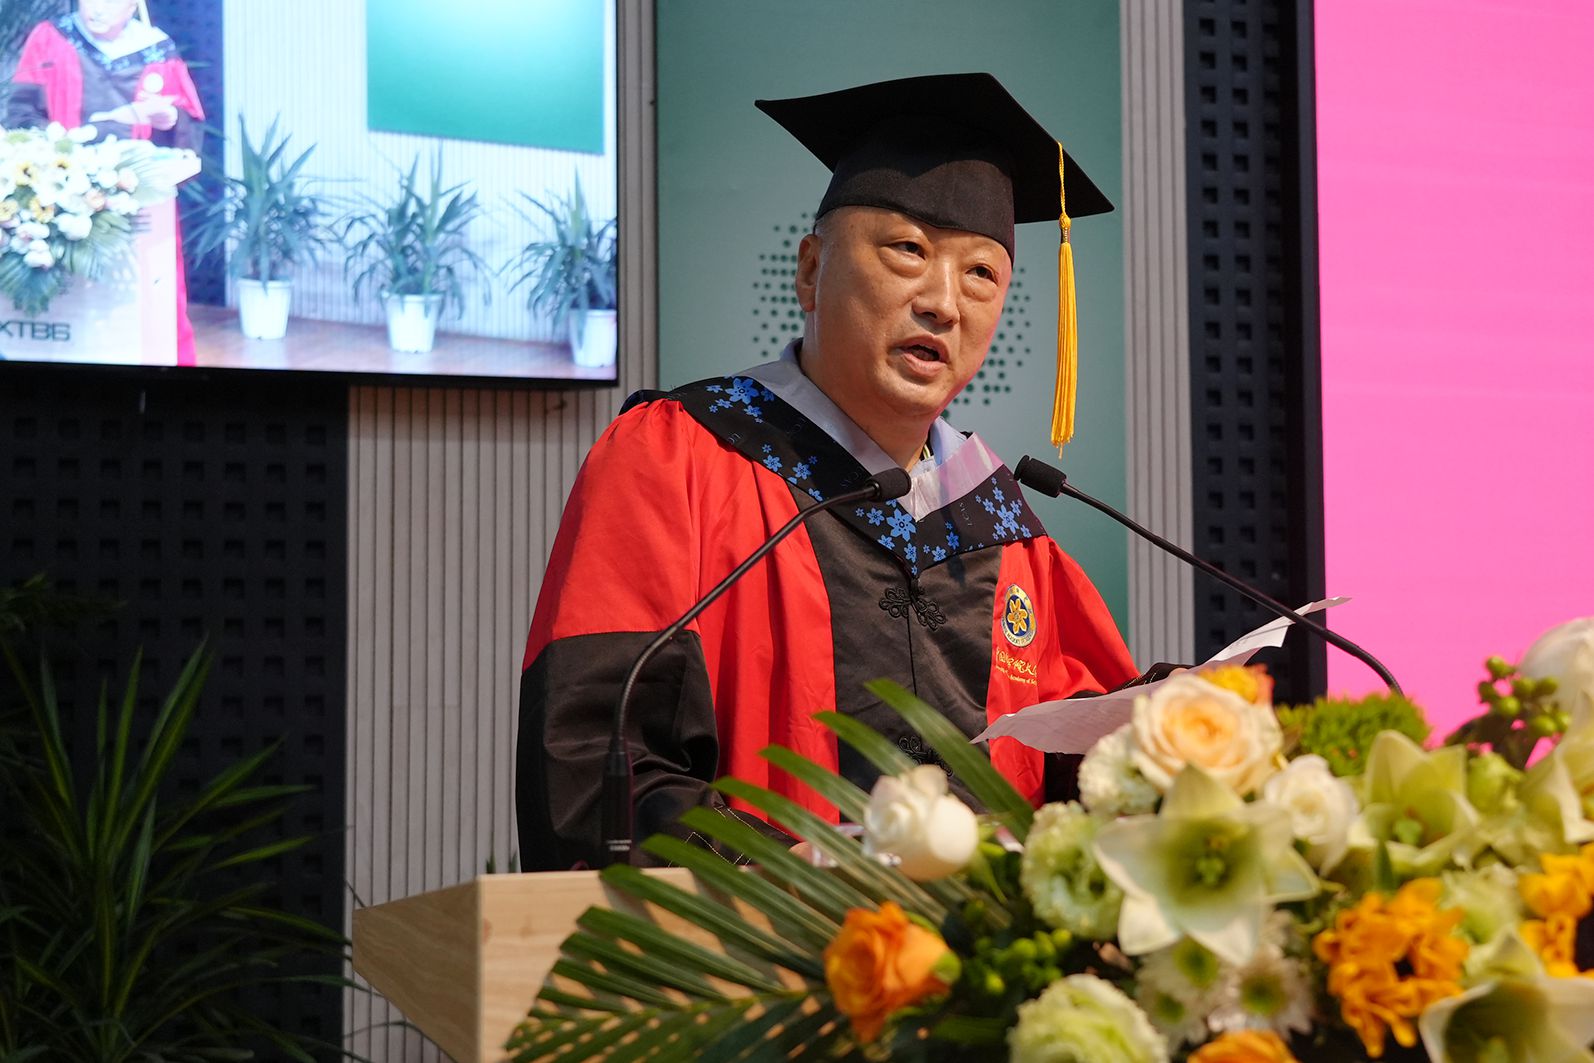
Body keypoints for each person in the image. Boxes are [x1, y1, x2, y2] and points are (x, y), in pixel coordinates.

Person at [517, 73, 1138, 872]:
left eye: (981, 273)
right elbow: (594, 764)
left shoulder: (1010, 531)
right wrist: (795, 878)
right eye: (909, 251)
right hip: (758, 943)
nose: (944, 303)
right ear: (810, 271)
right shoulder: (677, 459)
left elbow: (1082, 761)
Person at [6, 0, 203, 361]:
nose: (96, 9)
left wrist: (170, 119)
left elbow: (187, 130)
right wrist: (72, 144)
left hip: (137, 202)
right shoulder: (51, 38)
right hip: (59, 197)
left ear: (132, 6)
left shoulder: (157, 49)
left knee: (143, 305)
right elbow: (21, 116)